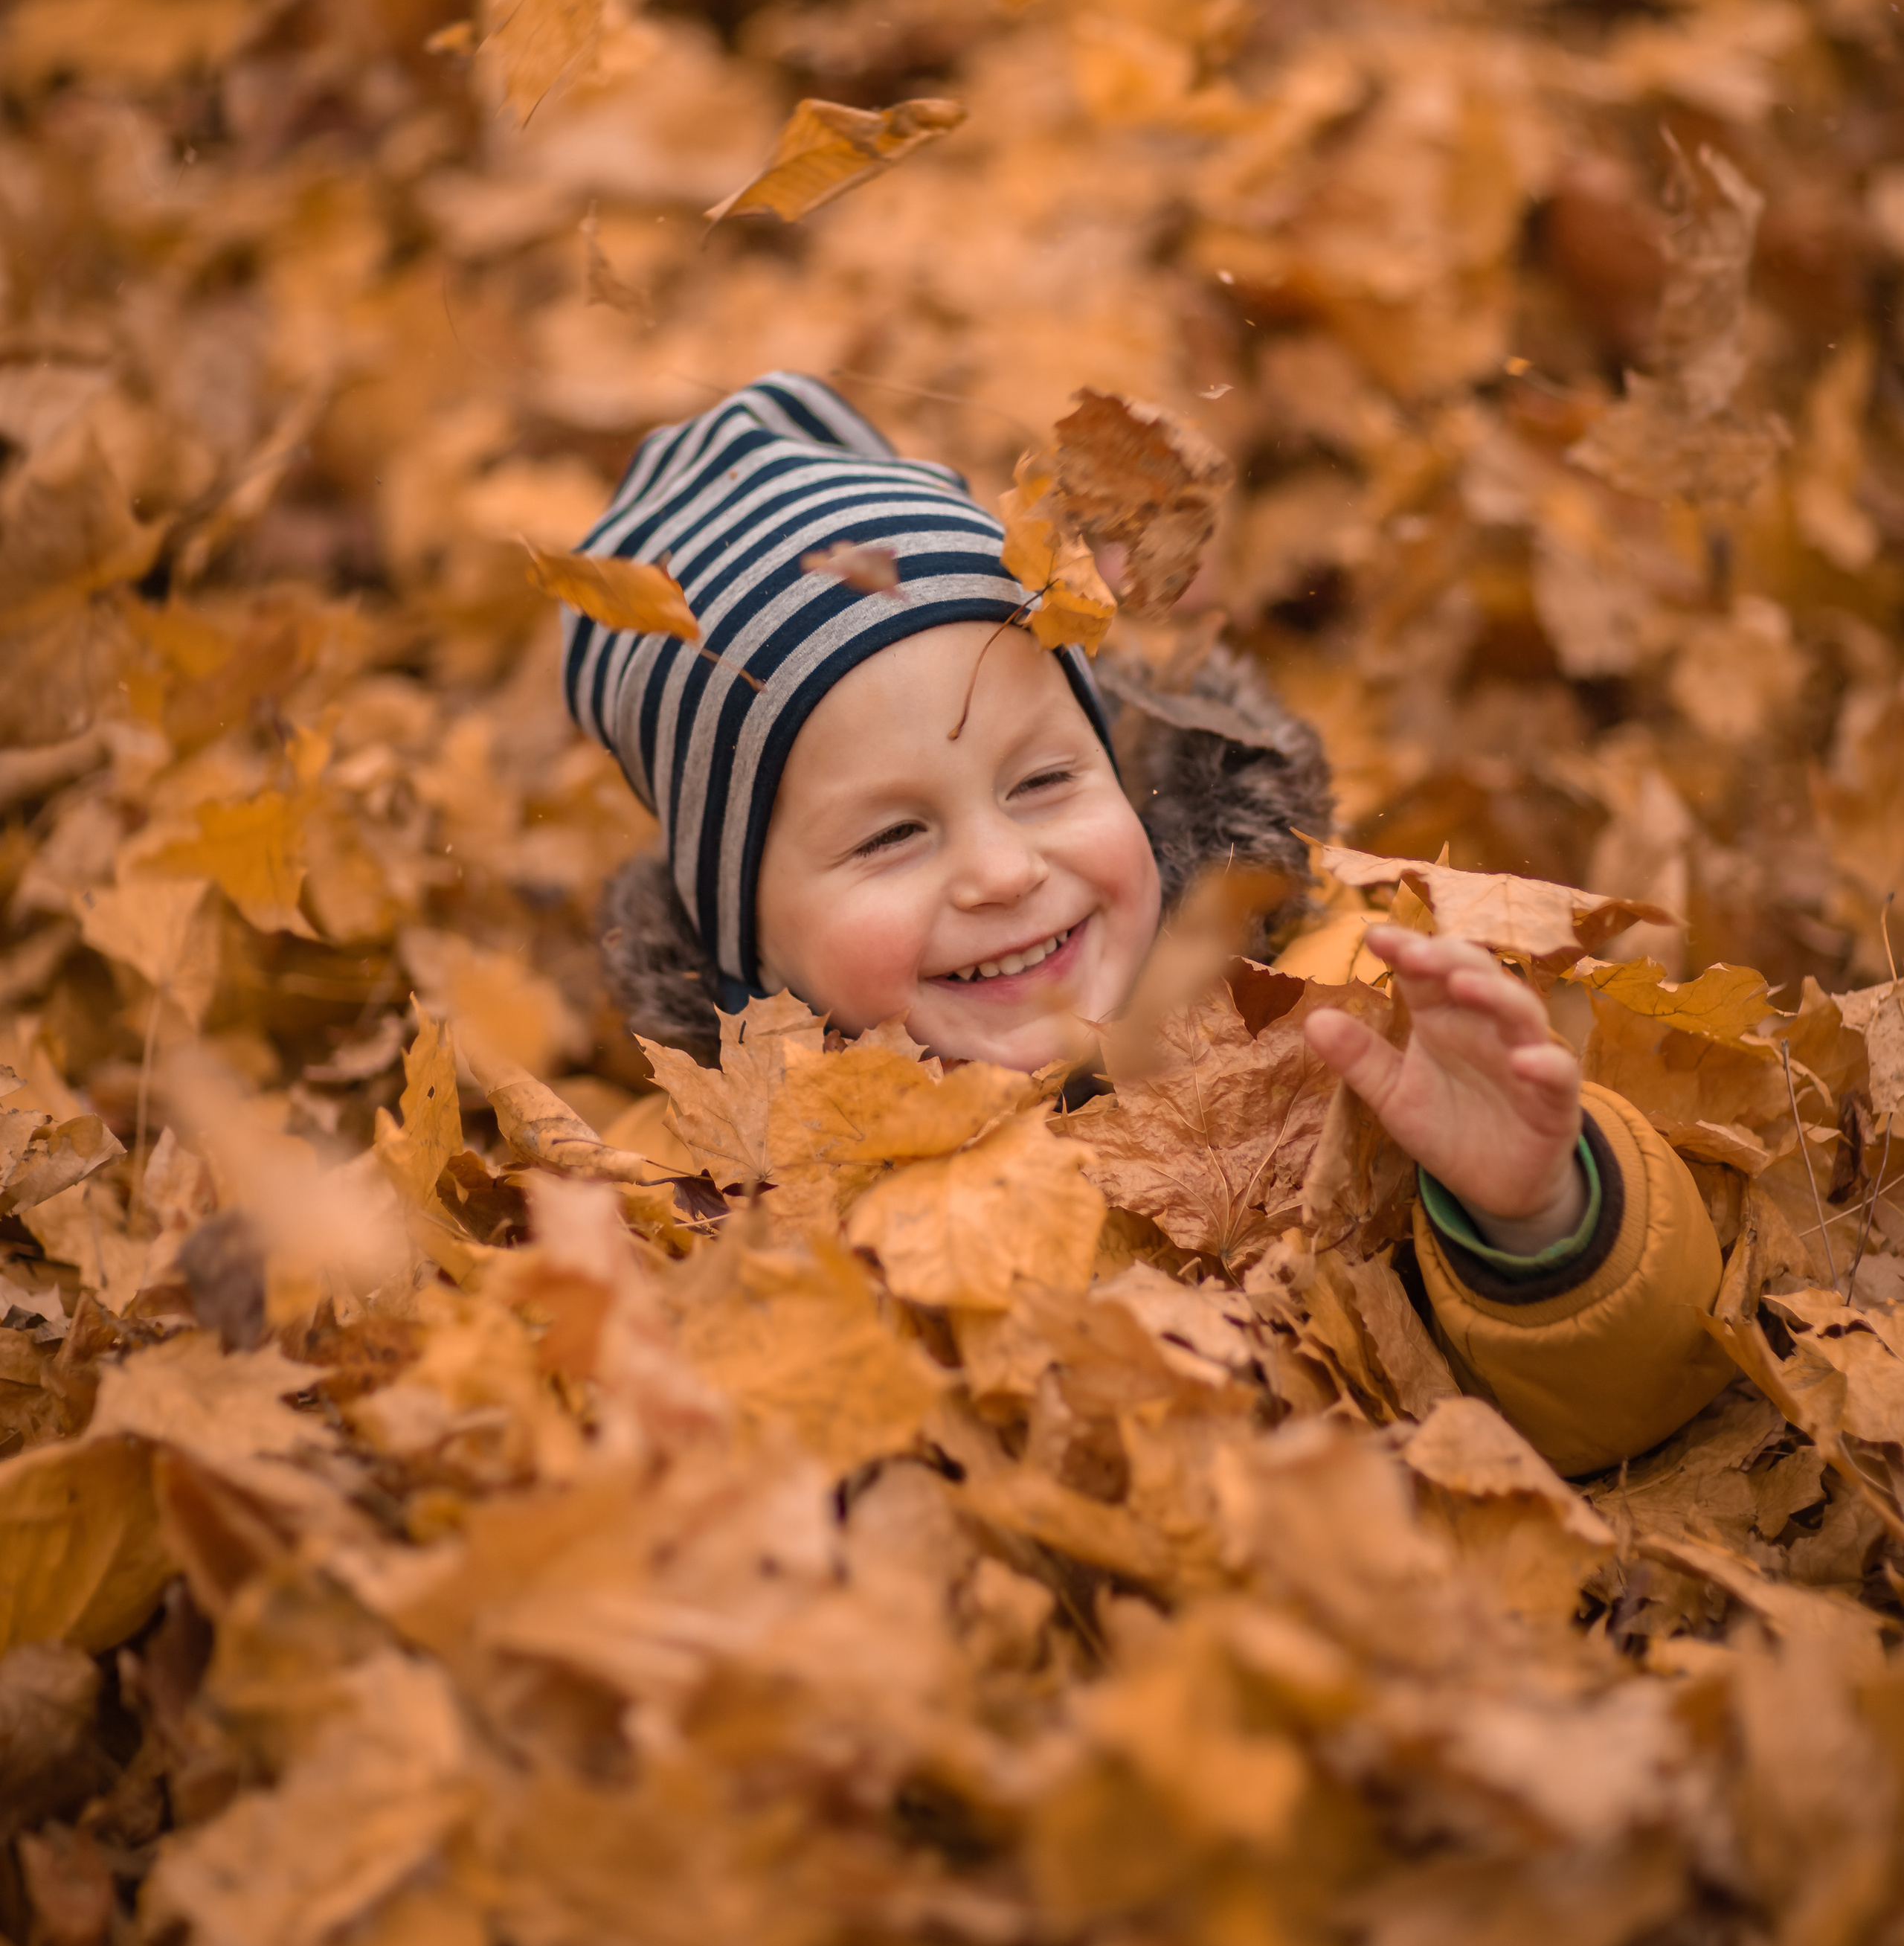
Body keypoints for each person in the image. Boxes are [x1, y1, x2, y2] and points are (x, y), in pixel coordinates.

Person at [567, 373, 1732, 1477]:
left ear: (1119, 764)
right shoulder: (707, 1205)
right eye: (891, 838)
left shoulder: (1331, 1023)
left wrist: (1539, 1217)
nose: (1001, 871)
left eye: (1042, 784)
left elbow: (1636, 1406)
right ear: (746, 939)